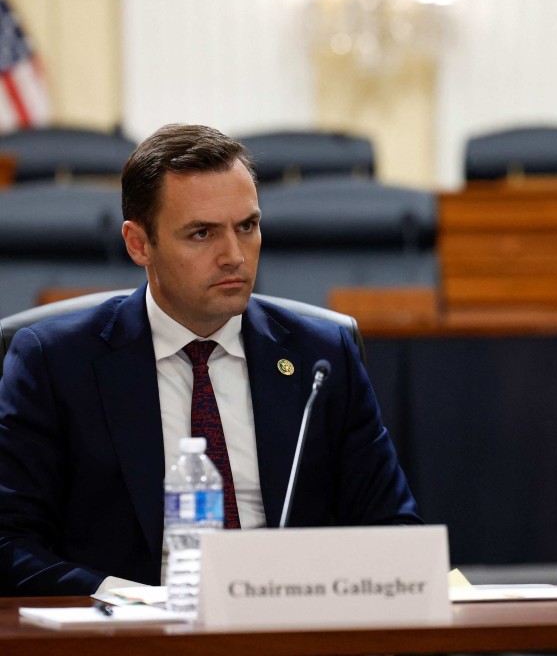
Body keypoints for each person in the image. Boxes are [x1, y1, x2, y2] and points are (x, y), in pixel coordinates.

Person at [0, 124, 421, 596]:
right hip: (135, 635)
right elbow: (9, 544)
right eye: (202, 233)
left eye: (247, 226)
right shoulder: (57, 363)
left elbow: (394, 530)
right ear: (139, 244)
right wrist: (133, 600)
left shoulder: (320, 357)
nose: (234, 256)